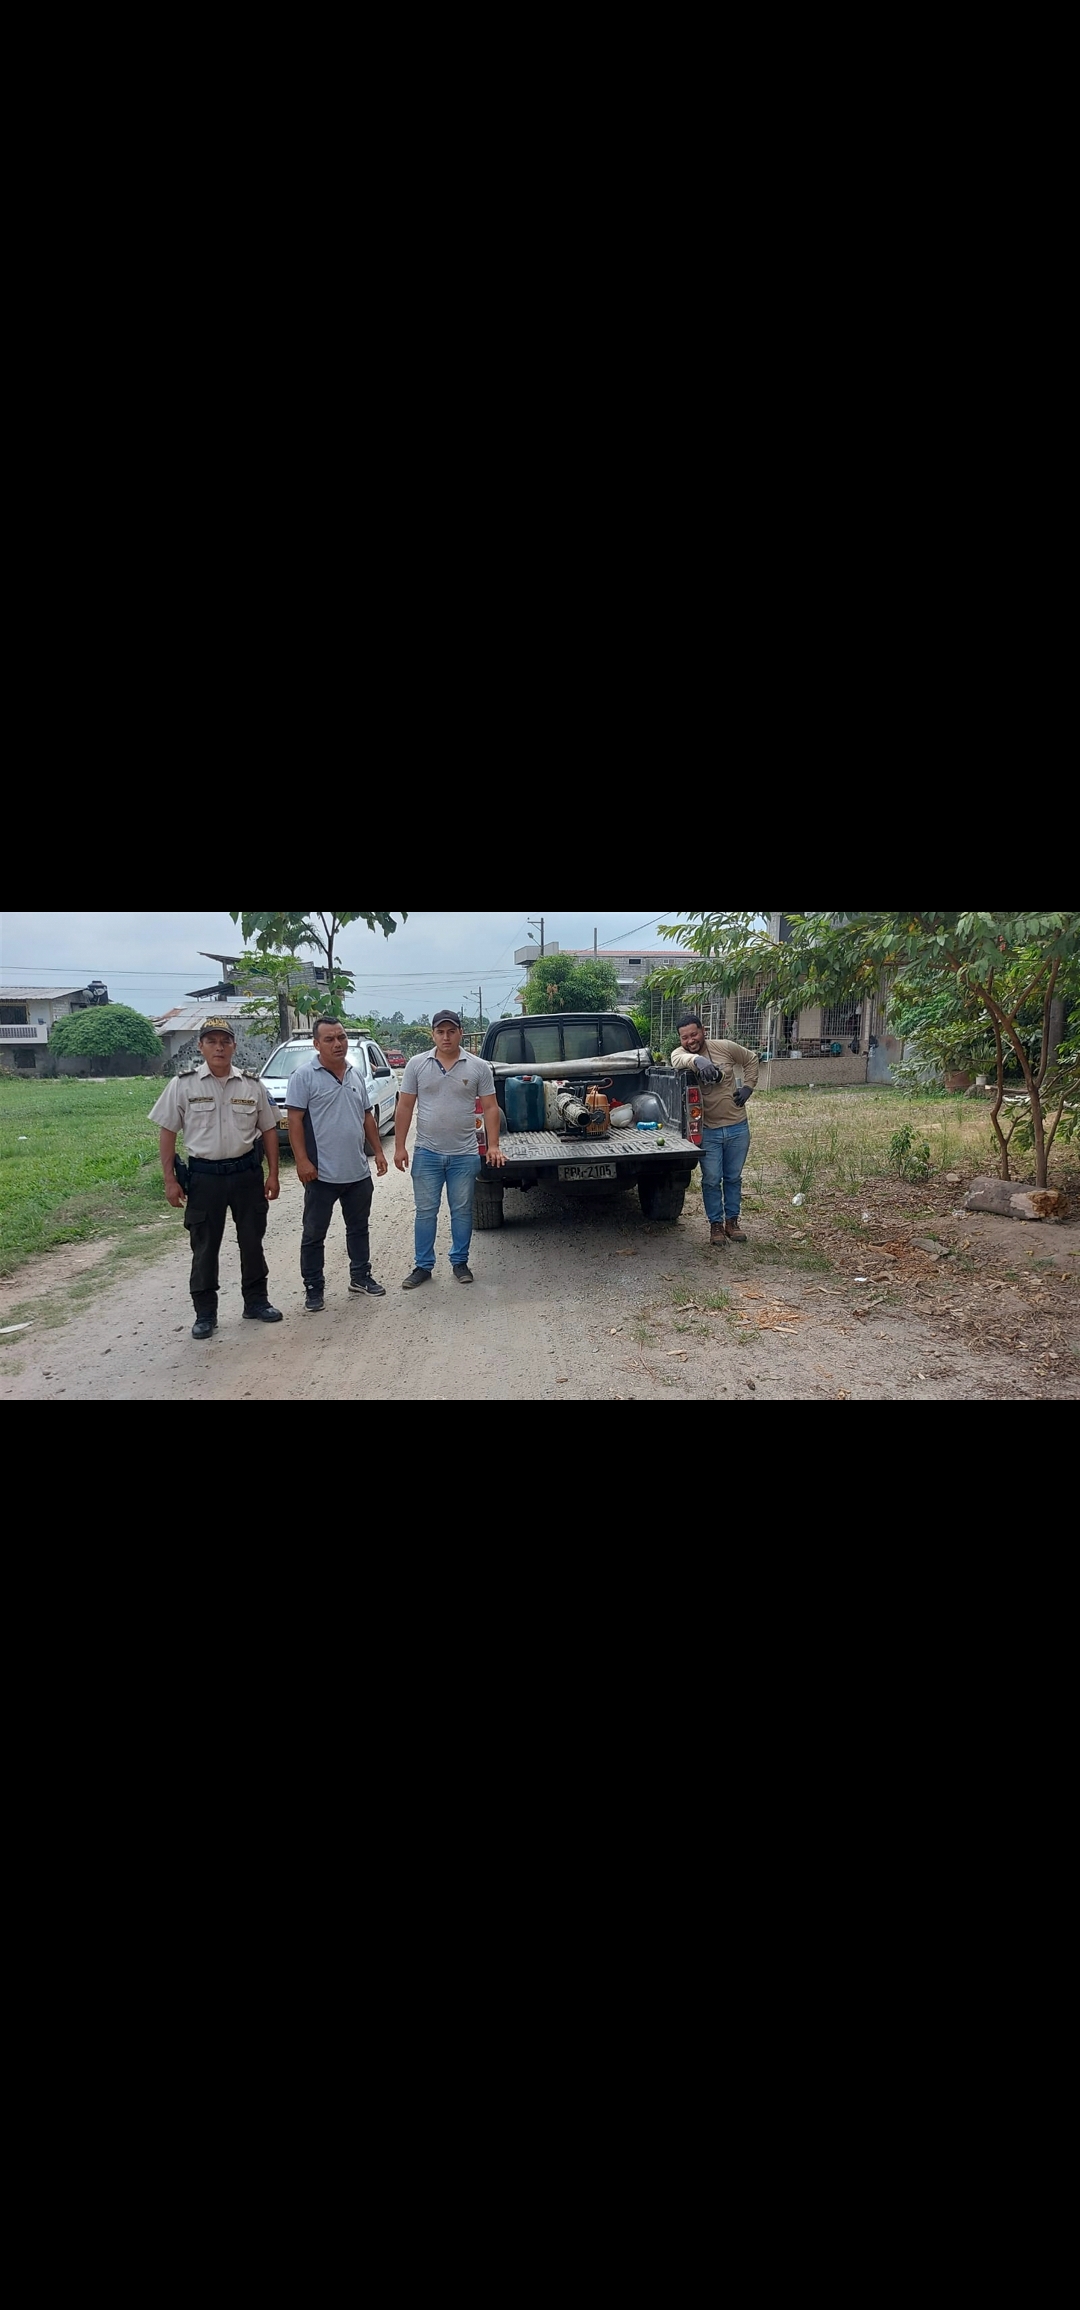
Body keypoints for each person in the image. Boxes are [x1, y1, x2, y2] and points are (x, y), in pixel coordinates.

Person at [149, 1018, 284, 1340]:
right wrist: (169, 1180)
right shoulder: (183, 1085)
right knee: (205, 1246)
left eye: (225, 1041)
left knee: (252, 1242)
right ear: (201, 1046)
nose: (219, 1047)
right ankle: (205, 1312)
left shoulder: (251, 1085)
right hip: (204, 1178)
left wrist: (274, 1174)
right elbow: (167, 1132)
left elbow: (269, 1130)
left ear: (234, 1046)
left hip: (246, 1175)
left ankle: (256, 1301)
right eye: (211, 1041)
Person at [394, 1011, 506, 1288]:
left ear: (460, 1033)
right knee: (425, 1211)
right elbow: (405, 1106)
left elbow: (491, 1107)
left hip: (464, 1154)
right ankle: (423, 1266)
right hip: (427, 1152)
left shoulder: (478, 1067)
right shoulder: (417, 1065)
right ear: (433, 1034)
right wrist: (399, 1147)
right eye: (440, 1032)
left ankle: (460, 1262)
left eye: (451, 1031)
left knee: (462, 1210)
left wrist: (493, 1145)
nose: (446, 1037)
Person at [286, 1019, 389, 1314]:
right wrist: (302, 1161)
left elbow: (367, 1116)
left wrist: (378, 1152)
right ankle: (313, 1287)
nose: (337, 1044)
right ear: (316, 1044)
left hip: (357, 1170)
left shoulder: (355, 1074)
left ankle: (360, 1276)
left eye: (341, 1037)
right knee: (314, 1233)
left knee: (358, 1228)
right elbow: (294, 1121)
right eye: (329, 1039)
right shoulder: (304, 1077)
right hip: (321, 1173)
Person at [671, 1015, 759, 1247]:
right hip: (708, 1130)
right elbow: (677, 1059)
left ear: (703, 1030)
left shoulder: (725, 1047)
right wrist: (698, 1061)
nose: (690, 1040)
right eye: (685, 1037)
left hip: (737, 1126)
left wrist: (748, 1087)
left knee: (733, 1177)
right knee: (711, 1179)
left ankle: (732, 1222)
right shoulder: (680, 1054)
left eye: (694, 1034)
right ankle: (716, 1225)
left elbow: (751, 1059)